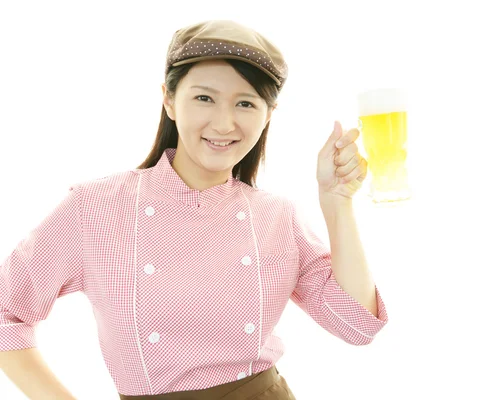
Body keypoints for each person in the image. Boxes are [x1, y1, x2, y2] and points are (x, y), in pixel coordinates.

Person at [0, 20, 389, 399]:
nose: (224, 123)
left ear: (268, 115)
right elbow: (6, 314)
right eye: (204, 97)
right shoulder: (97, 208)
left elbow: (356, 325)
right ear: (169, 100)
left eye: (245, 103)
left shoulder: (277, 217)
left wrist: (337, 204)